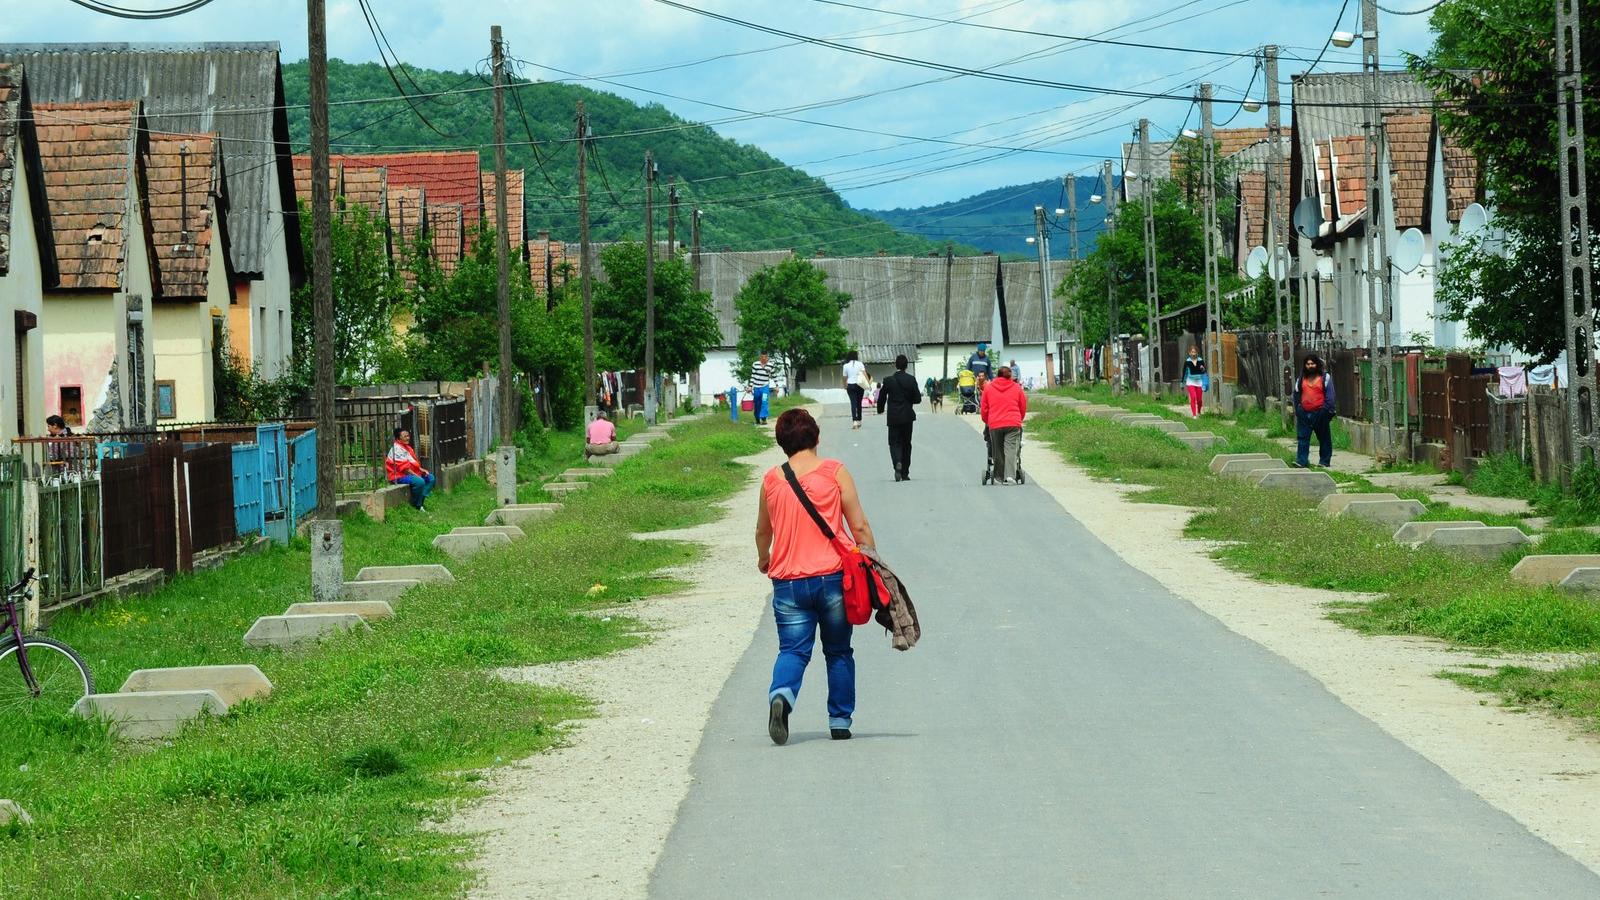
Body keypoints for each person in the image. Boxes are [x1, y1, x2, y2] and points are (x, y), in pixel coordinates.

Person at [755, 408, 876, 744]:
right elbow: (859, 525)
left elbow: (763, 531)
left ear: (781, 443)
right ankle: (839, 721)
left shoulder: (771, 480)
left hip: (788, 583)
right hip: (834, 579)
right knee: (838, 651)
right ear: (817, 437)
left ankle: (781, 696)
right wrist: (871, 561)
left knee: (792, 650)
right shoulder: (834, 472)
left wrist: (764, 558)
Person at [876, 354, 922, 481]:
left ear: (895, 365)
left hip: (893, 417)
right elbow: (918, 399)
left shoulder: (888, 380)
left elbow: (882, 397)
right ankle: (905, 472)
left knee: (894, 443)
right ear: (906, 366)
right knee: (907, 444)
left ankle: (897, 462)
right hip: (907, 417)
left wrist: (880, 409)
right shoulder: (911, 379)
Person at [981, 365, 1028, 484]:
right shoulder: (1017, 388)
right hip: (1013, 423)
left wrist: (987, 421)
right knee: (1011, 449)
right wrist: (1018, 419)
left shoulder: (988, 388)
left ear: (997, 375)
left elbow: (984, 408)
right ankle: (1011, 476)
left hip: (995, 423)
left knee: (998, 451)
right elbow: (1022, 406)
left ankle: (998, 477)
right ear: (1010, 376)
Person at [1293, 354, 1338, 469]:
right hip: (1304, 414)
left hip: (1320, 413)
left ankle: (1324, 461)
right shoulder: (1300, 379)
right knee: (1303, 438)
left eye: (1312, 364)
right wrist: (1298, 409)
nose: (1310, 366)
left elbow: (1330, 398)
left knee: (1324, 439)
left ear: (1317, 365)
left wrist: (1325, 412)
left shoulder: (1325, 378)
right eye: (1308, 364)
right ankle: (1301, 461)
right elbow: (1296, 395)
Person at [385, 428, 434, 511]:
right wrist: (417, 475)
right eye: (405, 436)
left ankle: (420, 501)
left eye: (408, 436)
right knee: (420, 481)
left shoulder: (407, 447)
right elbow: (405, 469)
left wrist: (421, 470)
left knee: (431, 478)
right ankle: (416, 506)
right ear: (398, 438)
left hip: (409, 473)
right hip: (399, 476)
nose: (408, 438)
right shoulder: (396, 449)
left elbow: (412, 463)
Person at [841, 350, 867, 429]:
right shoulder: (860, 364)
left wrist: (845, 386)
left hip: (850, 385)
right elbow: (864, 374)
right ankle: (859, 420)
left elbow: (844, 378)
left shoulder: (845, 366)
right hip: (859, 385)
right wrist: (868, 384)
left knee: (853, 403)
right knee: (859, 403)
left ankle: (854, 422)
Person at [750, 352, 777, 425]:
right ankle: (757, 418)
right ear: (760, 357)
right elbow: (753, 376)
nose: (764, 358)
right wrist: (750, 386)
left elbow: (774, 375)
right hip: (756, 387)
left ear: (767, 357)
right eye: (762, 357)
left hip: (765, 387)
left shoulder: (770, 365)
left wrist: (776, 386)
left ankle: (764, 418)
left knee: (764, 401)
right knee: (757, 403)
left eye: (765, 357)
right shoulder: (755, 364)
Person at [1182, 345, 1208, 418]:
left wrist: (1202, 368)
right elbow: (1184, 372)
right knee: (1193, 397)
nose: (1193, 353)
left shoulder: (1200, 360)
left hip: (1199, 381)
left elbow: (1204, 371)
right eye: (1192, 352)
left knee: (1199, 400)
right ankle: (1194, 415)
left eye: (1195, 352)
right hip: (1190, 381)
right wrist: (1182, 382)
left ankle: (1199, 411)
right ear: (1189, 353)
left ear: (1197, 353)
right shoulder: (1187, 362)